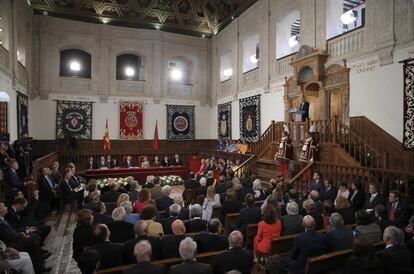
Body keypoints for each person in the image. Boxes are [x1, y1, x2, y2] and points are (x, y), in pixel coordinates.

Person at [0, 202, 50, 273]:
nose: (6, 207)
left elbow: (13, 231)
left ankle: (39, 264)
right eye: (4, 206)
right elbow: (10, 237)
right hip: (12, 244)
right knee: (33, 238)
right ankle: (39, 264)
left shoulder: (3, 219)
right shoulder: (1, 223)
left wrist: (23, 233)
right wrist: (23, 234)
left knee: (33, 240)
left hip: (15, 240)